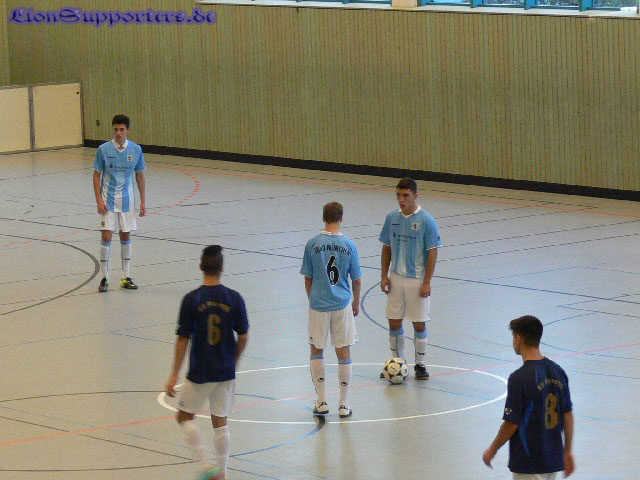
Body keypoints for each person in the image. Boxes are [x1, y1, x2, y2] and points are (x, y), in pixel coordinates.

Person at [165, 245, 249, 480]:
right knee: (220, 421)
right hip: (225, 369)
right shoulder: (234, 298)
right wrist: (233, 360)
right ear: (222, 267)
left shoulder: (191, 300)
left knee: (184, 416)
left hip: (200, 370)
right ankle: (223, 473)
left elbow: (183, 339)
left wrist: (173, 375)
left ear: (200, 266)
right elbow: (243, 336)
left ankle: (206, 468)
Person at [483, 315, 575, 479]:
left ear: (518, 338)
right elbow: (567, 414)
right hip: (552, 459)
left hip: (529, 461)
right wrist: (567, 451)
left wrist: (492, 449)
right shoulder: (558, 371)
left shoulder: (519, 378)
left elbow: (511, 423)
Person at [300, 202, 362, 418]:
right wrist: (356, 302)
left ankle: (321, 401)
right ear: (341, 218)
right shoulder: (349, 245)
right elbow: (356, 278)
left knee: (316, 349)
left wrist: (313, 299)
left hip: (318, 304)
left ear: (323, 218)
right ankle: (344, 404)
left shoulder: (312, 244)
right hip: (342, 304)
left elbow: (308, 277)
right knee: (343, 350)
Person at [379, 177, 441, 379]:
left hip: (417, 281)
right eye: (398, 195)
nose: (401, 200)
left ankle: (420, 365)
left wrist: (427, 282)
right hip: (396, 279)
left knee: (419, 323)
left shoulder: (426, 221)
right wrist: (384, 275)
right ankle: (398, 363)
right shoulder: (392, 218)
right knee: (394, 322)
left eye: (406, 195)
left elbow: (432, 252)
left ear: (415, 196)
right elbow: (387, 247)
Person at [92, 114, 146, 292]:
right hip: (108, 201)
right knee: (106, 236)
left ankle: (125, 276)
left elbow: (140, 175)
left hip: (127, 202)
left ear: (128, 130)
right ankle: (104, 277)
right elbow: (96, 174)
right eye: (115, 129)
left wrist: (143, 201)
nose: (118, 133)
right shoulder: (103, 149)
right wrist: (99, 200)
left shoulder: (136, 150)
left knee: (125, 236)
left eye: (122, 129)